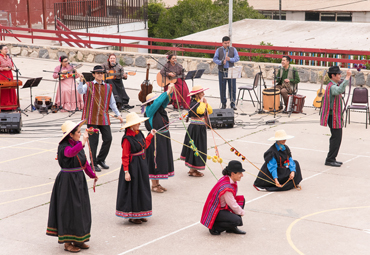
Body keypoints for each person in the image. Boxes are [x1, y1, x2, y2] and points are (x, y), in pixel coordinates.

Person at [46, 120, 98, 253]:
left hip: (78, 181)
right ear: (71, 135)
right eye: (78, 132)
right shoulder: (63, 147)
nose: (80, 134)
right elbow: (70, 153)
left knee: (80, 209)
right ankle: (67, 243)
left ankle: (78, 239)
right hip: (67, 182)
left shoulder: (77, 145)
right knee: (69, 210)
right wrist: (83, 143)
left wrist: (92, 175)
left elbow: (84, 163)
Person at [78, 65, 124, 172]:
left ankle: (100, 159)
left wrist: (118, 115)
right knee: (94, 142)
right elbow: (80, 91)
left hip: (104, 117)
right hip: (91, 118)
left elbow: (112, 103)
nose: (100, 75)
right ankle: (93, 163)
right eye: (97, 73)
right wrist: (80, 81)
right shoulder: (88, 85)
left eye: (102, 73)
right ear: (93, 75)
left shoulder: (108, 87)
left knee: (108, 138)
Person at [116, 112, 156, 224]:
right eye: (136, 123)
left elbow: (144, 145)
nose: (139, 124)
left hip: (141, 165)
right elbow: (125, 156)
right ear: (131, 125)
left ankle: (141, 212)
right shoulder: (127, 139)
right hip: (133, 166)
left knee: (142, 188)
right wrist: (126, 172)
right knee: (134, 189)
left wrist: (151, 135)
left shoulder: (139, 133)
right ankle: (133, 215)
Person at [143, 84, 175, 193]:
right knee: (154, 160)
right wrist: (166, 91)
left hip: (163, 138)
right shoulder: (149, 110)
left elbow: (164, 101)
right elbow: (158, 102)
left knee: (161, 159)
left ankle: (157, 184)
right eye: (156, 100)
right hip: (155, 138)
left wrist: (170, 92)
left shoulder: (159, 109)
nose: (158, 102)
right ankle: (154, 185)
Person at [201, 160, 246, 235]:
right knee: (237, 221)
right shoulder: (227, 188)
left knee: (241, 200)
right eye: (240, 173)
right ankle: (215, 228)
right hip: (215, 210)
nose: (242, 175)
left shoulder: (228, 179)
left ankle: (231, 228)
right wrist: (241, 212)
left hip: (222, 206)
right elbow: (232, 204)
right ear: (232, 173)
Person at [320, 66, 351, 167]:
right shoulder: (332, 86)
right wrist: (347, 78)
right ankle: (330, 159)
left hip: (334, 116)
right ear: (333, 76)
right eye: (338, 74)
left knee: (337, 138)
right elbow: (339, 90)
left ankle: (332, 158)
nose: (340, 76)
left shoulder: (333, 85)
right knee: (336, 138)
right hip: (332, 117)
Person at [180, 85, 213, 177]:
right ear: (197, 94)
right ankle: (192, 169)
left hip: (201, 129)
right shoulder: (193, 103)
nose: (203, 94)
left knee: (200, 147)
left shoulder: (200, 102)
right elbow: (199, 111)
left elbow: (210, 111)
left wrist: (206, 103)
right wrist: (202, 103)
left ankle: (194, 169)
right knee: (194, 148)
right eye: (202, 92)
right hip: (195, 129)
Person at [213, 36, 240, 110]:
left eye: (228, 43)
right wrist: (221, 62)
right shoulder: (219, 50)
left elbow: (237, 58)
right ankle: (223, 104)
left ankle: (232, 104)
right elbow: (214, 59)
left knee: (232, 88)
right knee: (222, 88)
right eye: (225, 43)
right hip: (222, 71)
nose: (227, 45)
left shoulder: (233, 49)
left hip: (231, 71)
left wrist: (230, 59)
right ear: (222, 43)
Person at [0, 45, 17, 111]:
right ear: (0, 50)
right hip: (2, 75)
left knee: (10, 88)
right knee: (3, 90)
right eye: (5, 49)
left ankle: (11, 104)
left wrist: (12, 67)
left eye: (7, 49)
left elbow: (12, 64)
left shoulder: (9, 57)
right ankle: (3, 105)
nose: (6, 50)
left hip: (9, 74)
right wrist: (4, 68)